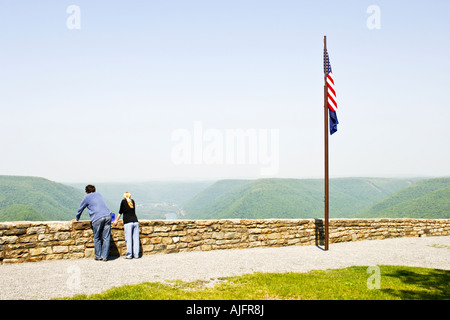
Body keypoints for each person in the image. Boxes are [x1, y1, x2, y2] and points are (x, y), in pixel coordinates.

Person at [73, 185, 113, 261]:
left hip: (97, 218)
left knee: (97, 237)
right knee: (106, 238)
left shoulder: (86, 197)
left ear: (87, 191)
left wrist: (77, 218)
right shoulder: (99, 194)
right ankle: (105, 257)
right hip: (108, 216)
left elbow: (81, 208)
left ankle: (98, 256)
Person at [113, 192, 140, 259]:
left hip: (128, 222)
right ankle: (136, 255)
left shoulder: (123, 202)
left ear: (124, 196)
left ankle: (129, 254)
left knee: (129, 239)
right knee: (136, 239)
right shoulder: (132, 201)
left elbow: (120, 212)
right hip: (135, 222)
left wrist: (116, 220)